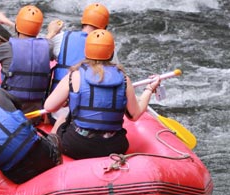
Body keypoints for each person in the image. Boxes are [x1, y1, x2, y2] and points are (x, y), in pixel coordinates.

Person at [43, 29, 161, 160]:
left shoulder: (74, 76)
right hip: (114, 146)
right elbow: (134, 115)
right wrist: (149, 89)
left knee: (61, 120)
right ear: (111, 53)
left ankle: (51, 157)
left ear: (86, 51)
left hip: (77, 145)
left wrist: (68, 99)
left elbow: (49, 107)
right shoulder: (123, 78)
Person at [45, 2, 110, 93]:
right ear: (104, 28)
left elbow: (37, 53)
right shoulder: (107, 46)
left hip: (58, 100)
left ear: (83, 21)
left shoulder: (62, 38)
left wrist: (51, 33)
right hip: (86, 101)